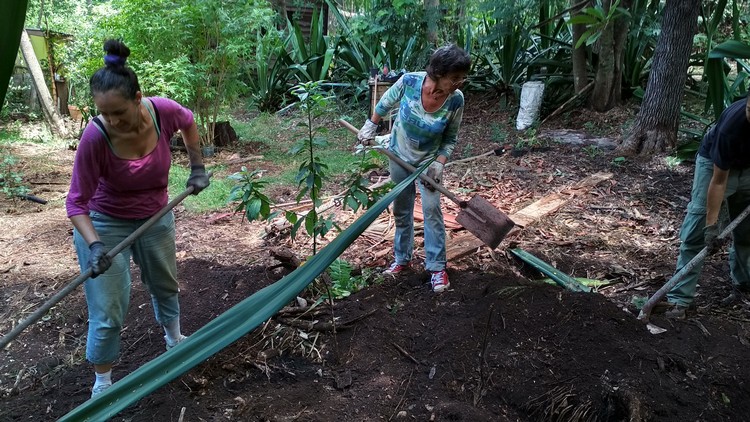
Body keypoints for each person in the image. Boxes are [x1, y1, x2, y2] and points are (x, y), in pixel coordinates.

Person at [66, 39, 210, 397]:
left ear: (138, 98)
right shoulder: (95, 136)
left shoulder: (162, 112)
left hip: (156, 215)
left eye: (119, 112)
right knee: (109, 307)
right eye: (104, 113)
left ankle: (175, 341)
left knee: (165, 283)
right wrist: (95, 245)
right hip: (104, 223)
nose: (112, 120)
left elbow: (189, 122)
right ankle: (102, 384)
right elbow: (75, 204)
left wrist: (197, 167)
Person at [356, 44, 470, 293]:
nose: (460, 82)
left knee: (431, 210)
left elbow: (450, 138)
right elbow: (384, 104)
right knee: (402, 209)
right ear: (439, 73)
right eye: (455, 77)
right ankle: (401, 260)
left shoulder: (455, 100)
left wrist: (439, 164)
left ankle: (437, 268)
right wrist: (370, 126)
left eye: (462, 77)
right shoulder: (409, 82)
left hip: (428, 162)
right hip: (398, 155)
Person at [664, 94, 750, 319]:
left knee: (747, 231)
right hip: (716, 167)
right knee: (698, 229)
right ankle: (680, 299)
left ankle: (744, 282)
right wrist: (711, 226)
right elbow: (719, 181)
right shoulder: (732, 127)